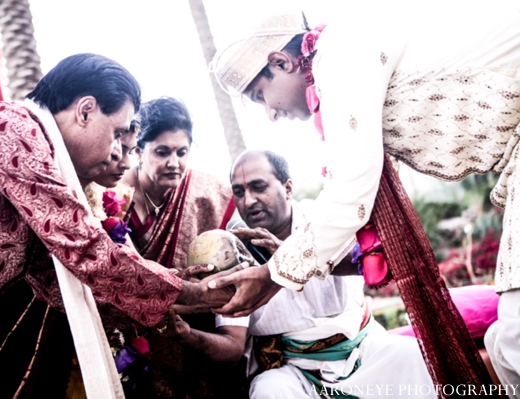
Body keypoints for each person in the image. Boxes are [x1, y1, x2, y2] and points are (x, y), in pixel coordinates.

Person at [208, 3, 520, 391]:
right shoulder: (344, 64)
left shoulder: (340, 58)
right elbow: (366, 204)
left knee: (515, 347)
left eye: (260, 94)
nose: (270, 113)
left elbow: (351, 194)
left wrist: (274, 275)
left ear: (282, 62)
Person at [0, 53, 233, 398]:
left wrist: (176, 294)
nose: (117, 150)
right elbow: (87, 249)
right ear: (85, 110)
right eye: (116, 133)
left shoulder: (39, 159)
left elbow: (57, 282)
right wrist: (193, 292)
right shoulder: (13, 131)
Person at [226, 150, 435, 398]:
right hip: (294, 371)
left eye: (259, 187)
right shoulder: (232, 249)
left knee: (412, 355)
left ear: (288, 188)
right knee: (268, 391)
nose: (248, 201)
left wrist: (292, 256)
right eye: (239, 192)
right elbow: (231, 336)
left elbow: (371, 261)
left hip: (363, 350)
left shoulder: (323, 219)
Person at [117, 96, 247, 398]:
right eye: (162, 152)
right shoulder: (113, 197)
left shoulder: (207, 194)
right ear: (139, 150)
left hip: (198, 336)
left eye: (182, 152)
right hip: (135, 336)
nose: (174, 163)